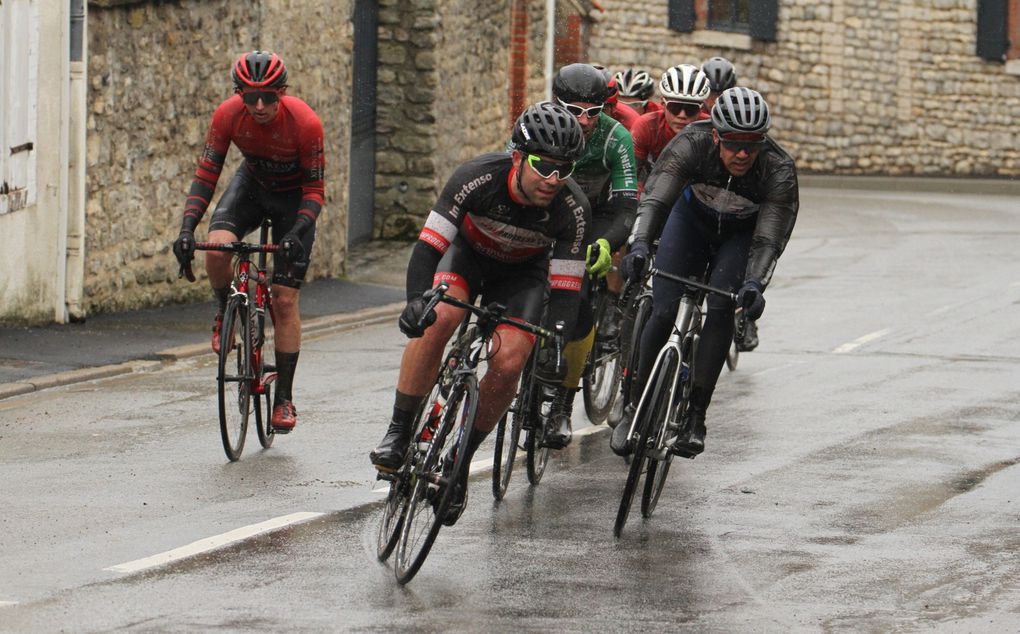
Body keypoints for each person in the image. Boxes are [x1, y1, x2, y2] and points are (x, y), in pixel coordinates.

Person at [370, 101, 590, 525]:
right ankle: (399, 431)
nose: (553, 179)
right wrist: (416, 299)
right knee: (441, 318)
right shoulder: (476, 178)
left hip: (522, 277)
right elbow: (428, 248)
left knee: (510, 359)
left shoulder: (572, 209)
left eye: (564, 169)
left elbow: (566, 288)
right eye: (544, 165)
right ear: (518, 157)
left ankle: (460, 461)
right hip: (466, 258)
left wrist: (558, 338)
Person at [612, 87, 798, 458]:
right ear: (715, 135)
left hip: (740, 235)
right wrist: (639, 244)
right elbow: (657, 199)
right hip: (690, 223)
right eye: (732, 143)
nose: (743, 153)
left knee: (721, 306)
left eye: (752, 144)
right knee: (663, 309)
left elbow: (769, 238)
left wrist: (755, 284)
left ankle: (696, 416)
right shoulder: (691, 144)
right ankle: (632, 407)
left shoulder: (777, 168)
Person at [172, 51, 325, 433]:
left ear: (282, 92)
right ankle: (226, 309)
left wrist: (296, 234)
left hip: (294, 201)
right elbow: (207, 173)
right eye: (250, 96)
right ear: (238, 93)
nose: (259, 105)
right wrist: (187, 228)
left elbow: (315, 191)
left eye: (269, 96)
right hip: (252, 188)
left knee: (285, 299)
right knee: (218, 245)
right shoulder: (227, 115)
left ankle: (285, 398)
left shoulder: (305, 123)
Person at [544, 63, 638, 445]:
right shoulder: (537, 124)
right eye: (574, 110)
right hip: (550, 213)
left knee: (577, 293)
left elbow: (627, 207)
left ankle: (562, 407)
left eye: (593, 112)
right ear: (556, 104)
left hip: (597, 219)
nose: (584, 121)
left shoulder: (616, 138)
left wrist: (606, 242)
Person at [630, 64, 711, 187]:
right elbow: (632, 178)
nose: (682, 115)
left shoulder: (709, 130)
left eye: (691, 109)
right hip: (652, 187)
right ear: (663, 104)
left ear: (701, 109)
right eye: (675, 107)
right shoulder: (646, 125)